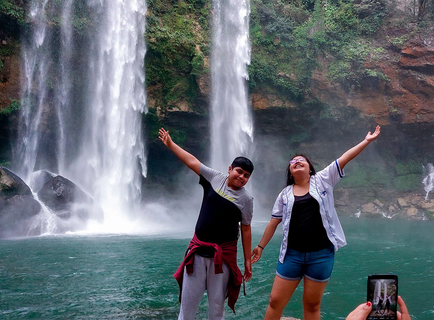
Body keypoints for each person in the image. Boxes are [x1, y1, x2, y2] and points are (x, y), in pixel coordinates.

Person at [251, 125, 381, 320]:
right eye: (292, 162)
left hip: (320, 255)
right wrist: (260, 246)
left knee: (312, 305)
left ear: (310, 167)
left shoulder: (323, 180)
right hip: (291, 255)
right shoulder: (284, 194)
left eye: (301, 160)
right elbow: (273, 222)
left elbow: (345, 158)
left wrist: (366, 141)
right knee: (275, 301)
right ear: (290, 171)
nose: (296, 162)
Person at [158, 127, 254, 320]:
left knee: (217, 309)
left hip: (223, 259)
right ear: (230, 169)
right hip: (197, 254)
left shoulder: (246, 200)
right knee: (187, 305)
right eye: (239, 171)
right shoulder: (214, 178)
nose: (241, 177)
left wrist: (247, 261)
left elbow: (246, 229)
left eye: (246, 176)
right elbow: (192, 162)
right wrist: (171, 144)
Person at [346, 296, 411, 320]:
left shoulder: (385, 299)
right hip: (382, 304)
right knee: (383, 309)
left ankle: (380, 311)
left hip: (382, 304)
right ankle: (381, 311)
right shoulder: (383, 299)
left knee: (383, 308)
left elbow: (383, 299)